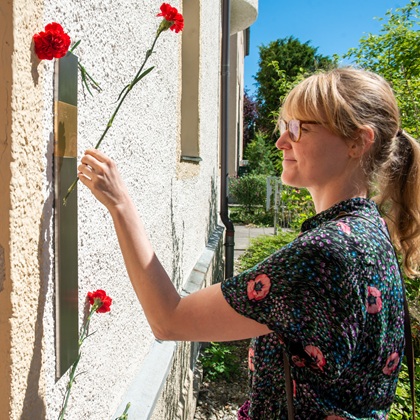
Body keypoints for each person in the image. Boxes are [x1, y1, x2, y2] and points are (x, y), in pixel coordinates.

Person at [77, 67, 420, 419]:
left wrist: (120, 204)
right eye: (283, 127)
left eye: (299, 128)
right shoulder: (372, 232)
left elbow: (169, 319)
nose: (281, 141)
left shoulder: (326, 252)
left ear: (357, 142)